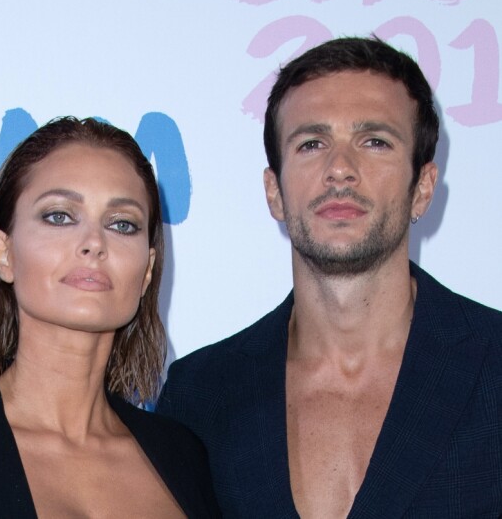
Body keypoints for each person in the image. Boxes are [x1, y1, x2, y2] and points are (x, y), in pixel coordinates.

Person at [157, 37, 502, 518]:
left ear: (422, 188)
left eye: (375, 142)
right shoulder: (201, 395)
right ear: (274, 191)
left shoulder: (494, 366)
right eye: (312, 143)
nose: (340, 169)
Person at [0, 117, 221, 518]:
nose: (94, 244)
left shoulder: (183, 456)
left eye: (122, 224)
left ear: (147, 270)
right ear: (4, 253)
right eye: (59, 216)